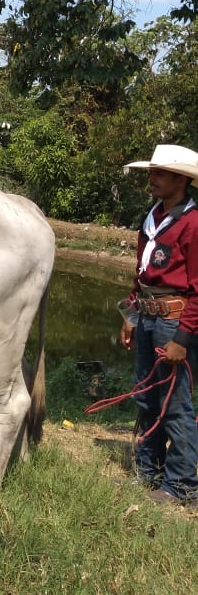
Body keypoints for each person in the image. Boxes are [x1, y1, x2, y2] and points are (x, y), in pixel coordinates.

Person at [119, 143, 198, 505]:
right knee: (146, 397)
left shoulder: (193, 224)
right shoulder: (151, 218)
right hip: (148, 317)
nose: (152, 179)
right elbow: (142, 276)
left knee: (174, 403)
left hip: (172, 321)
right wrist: (131, 316)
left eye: (160, 173)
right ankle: (148, 471)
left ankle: (181, 484)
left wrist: (183, 336)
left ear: (181, 180)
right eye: (151, 172)